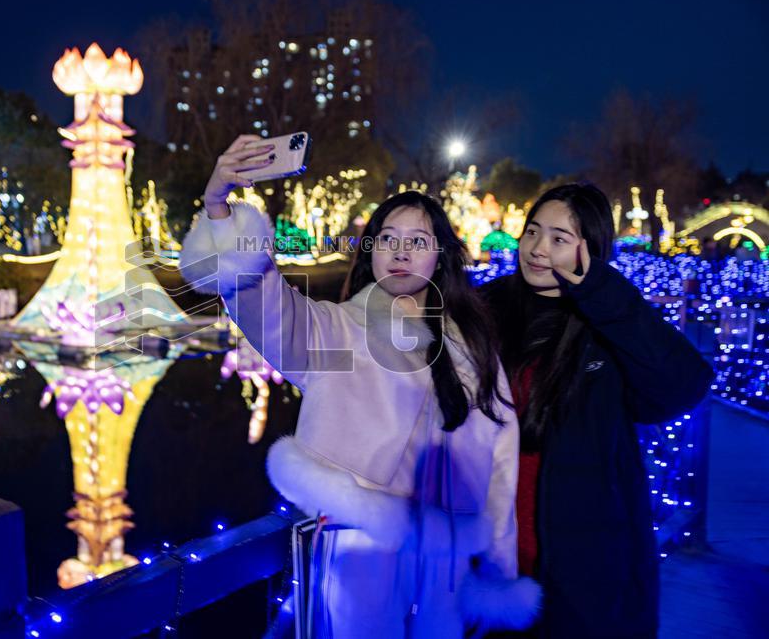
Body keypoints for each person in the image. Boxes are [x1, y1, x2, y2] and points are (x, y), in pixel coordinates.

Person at [178, 135, 540, 638]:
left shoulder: (472, 349)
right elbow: (268, 308)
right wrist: (218, 207)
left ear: (441, 255)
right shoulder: (336, 331)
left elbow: (500, 460)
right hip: (356, 553)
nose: (401, 252)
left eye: (417, 241)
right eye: (388, 238)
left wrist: (497, 571)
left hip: (445, 567)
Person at [479, 183, 713, 638]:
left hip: (585, 561)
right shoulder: (486, 308)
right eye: (532, 232)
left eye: (559, 239)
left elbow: (685, 384)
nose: (538, 249)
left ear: (591, 250)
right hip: (492, 555)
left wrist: (602, 293)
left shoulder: (606, 321)